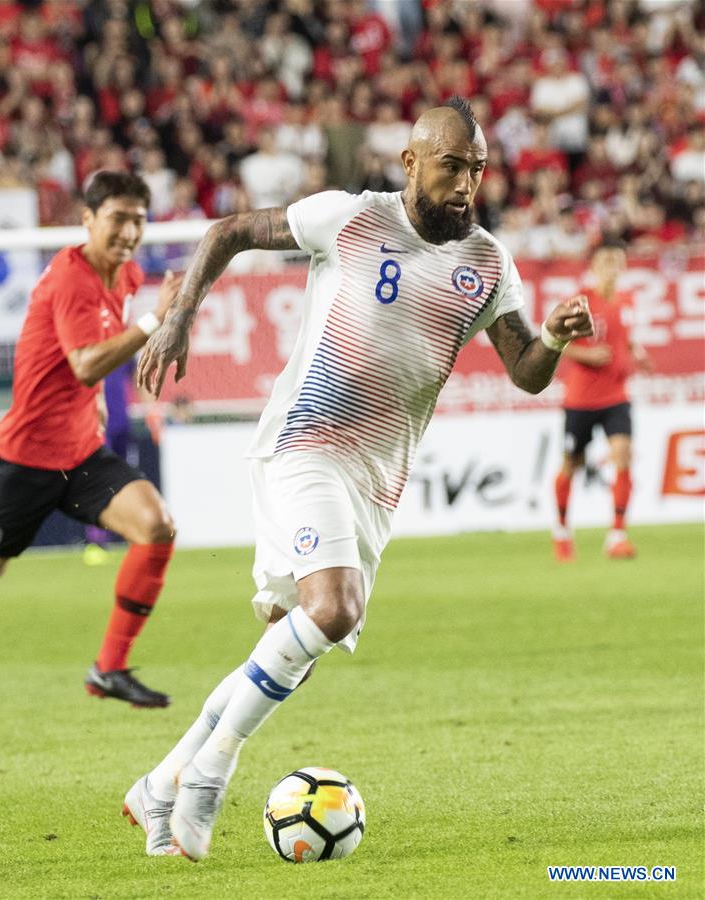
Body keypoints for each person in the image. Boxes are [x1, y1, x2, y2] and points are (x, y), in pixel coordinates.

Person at [128, 97, 593, 859]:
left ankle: (162, 779)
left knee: (292, 646)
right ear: (411, 162)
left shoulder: (486, 263)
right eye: (451, 166)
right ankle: (210, 774)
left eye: (476, 169)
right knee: (335, 609)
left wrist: (550, 336)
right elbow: (230, 231)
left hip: (377, 480)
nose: (466, 184)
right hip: (305, 442)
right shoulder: (350, 217)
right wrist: (179, 315)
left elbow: (527, 374)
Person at [0, 171, 182, 708]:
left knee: (156, 526)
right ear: (88, 219)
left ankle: (109, 669)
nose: (128, 232)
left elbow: (87, 358)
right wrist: (154, 320)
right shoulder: (70, 276)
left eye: (138, 221)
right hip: (20, 461)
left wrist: (93, 400)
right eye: (117, 219)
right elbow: (84, 362)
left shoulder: (123, 273)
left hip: (79, 455)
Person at [552, 239, 653, 562]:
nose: (612, 268)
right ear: (594, 267)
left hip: (616, 396)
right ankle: (563, 532)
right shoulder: (580, 303)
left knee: (622, 455)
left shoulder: (626, 300)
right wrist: (587, 353)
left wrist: (636, 351)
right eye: (606, 261)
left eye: (617, 261)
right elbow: (556, 343)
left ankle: (617, 535)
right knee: (572, 464)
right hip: (580, 400)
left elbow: (624, 336)